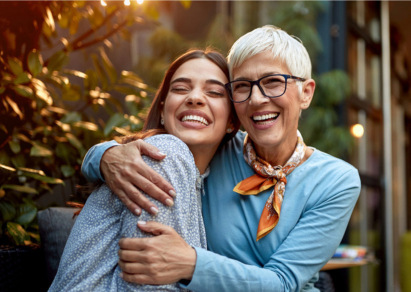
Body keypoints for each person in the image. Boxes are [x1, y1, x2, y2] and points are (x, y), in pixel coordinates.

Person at [82, 25, 361, 291]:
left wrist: (191, 263)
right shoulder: (216, 149)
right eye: (242, 86)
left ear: (306, 93)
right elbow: (159, 148)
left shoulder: (336, 180)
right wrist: (105, 155)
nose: (256, 99)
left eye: (273, 82)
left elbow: (284, 283)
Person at [48, 49, 240, 291]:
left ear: (233, 120)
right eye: (180, 88)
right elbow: (150, 287)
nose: (195, 98)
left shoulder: (211, 179)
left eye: (214, 92)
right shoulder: (165, 153)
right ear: (162, 110)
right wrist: (100, 155)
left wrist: (99, 154)